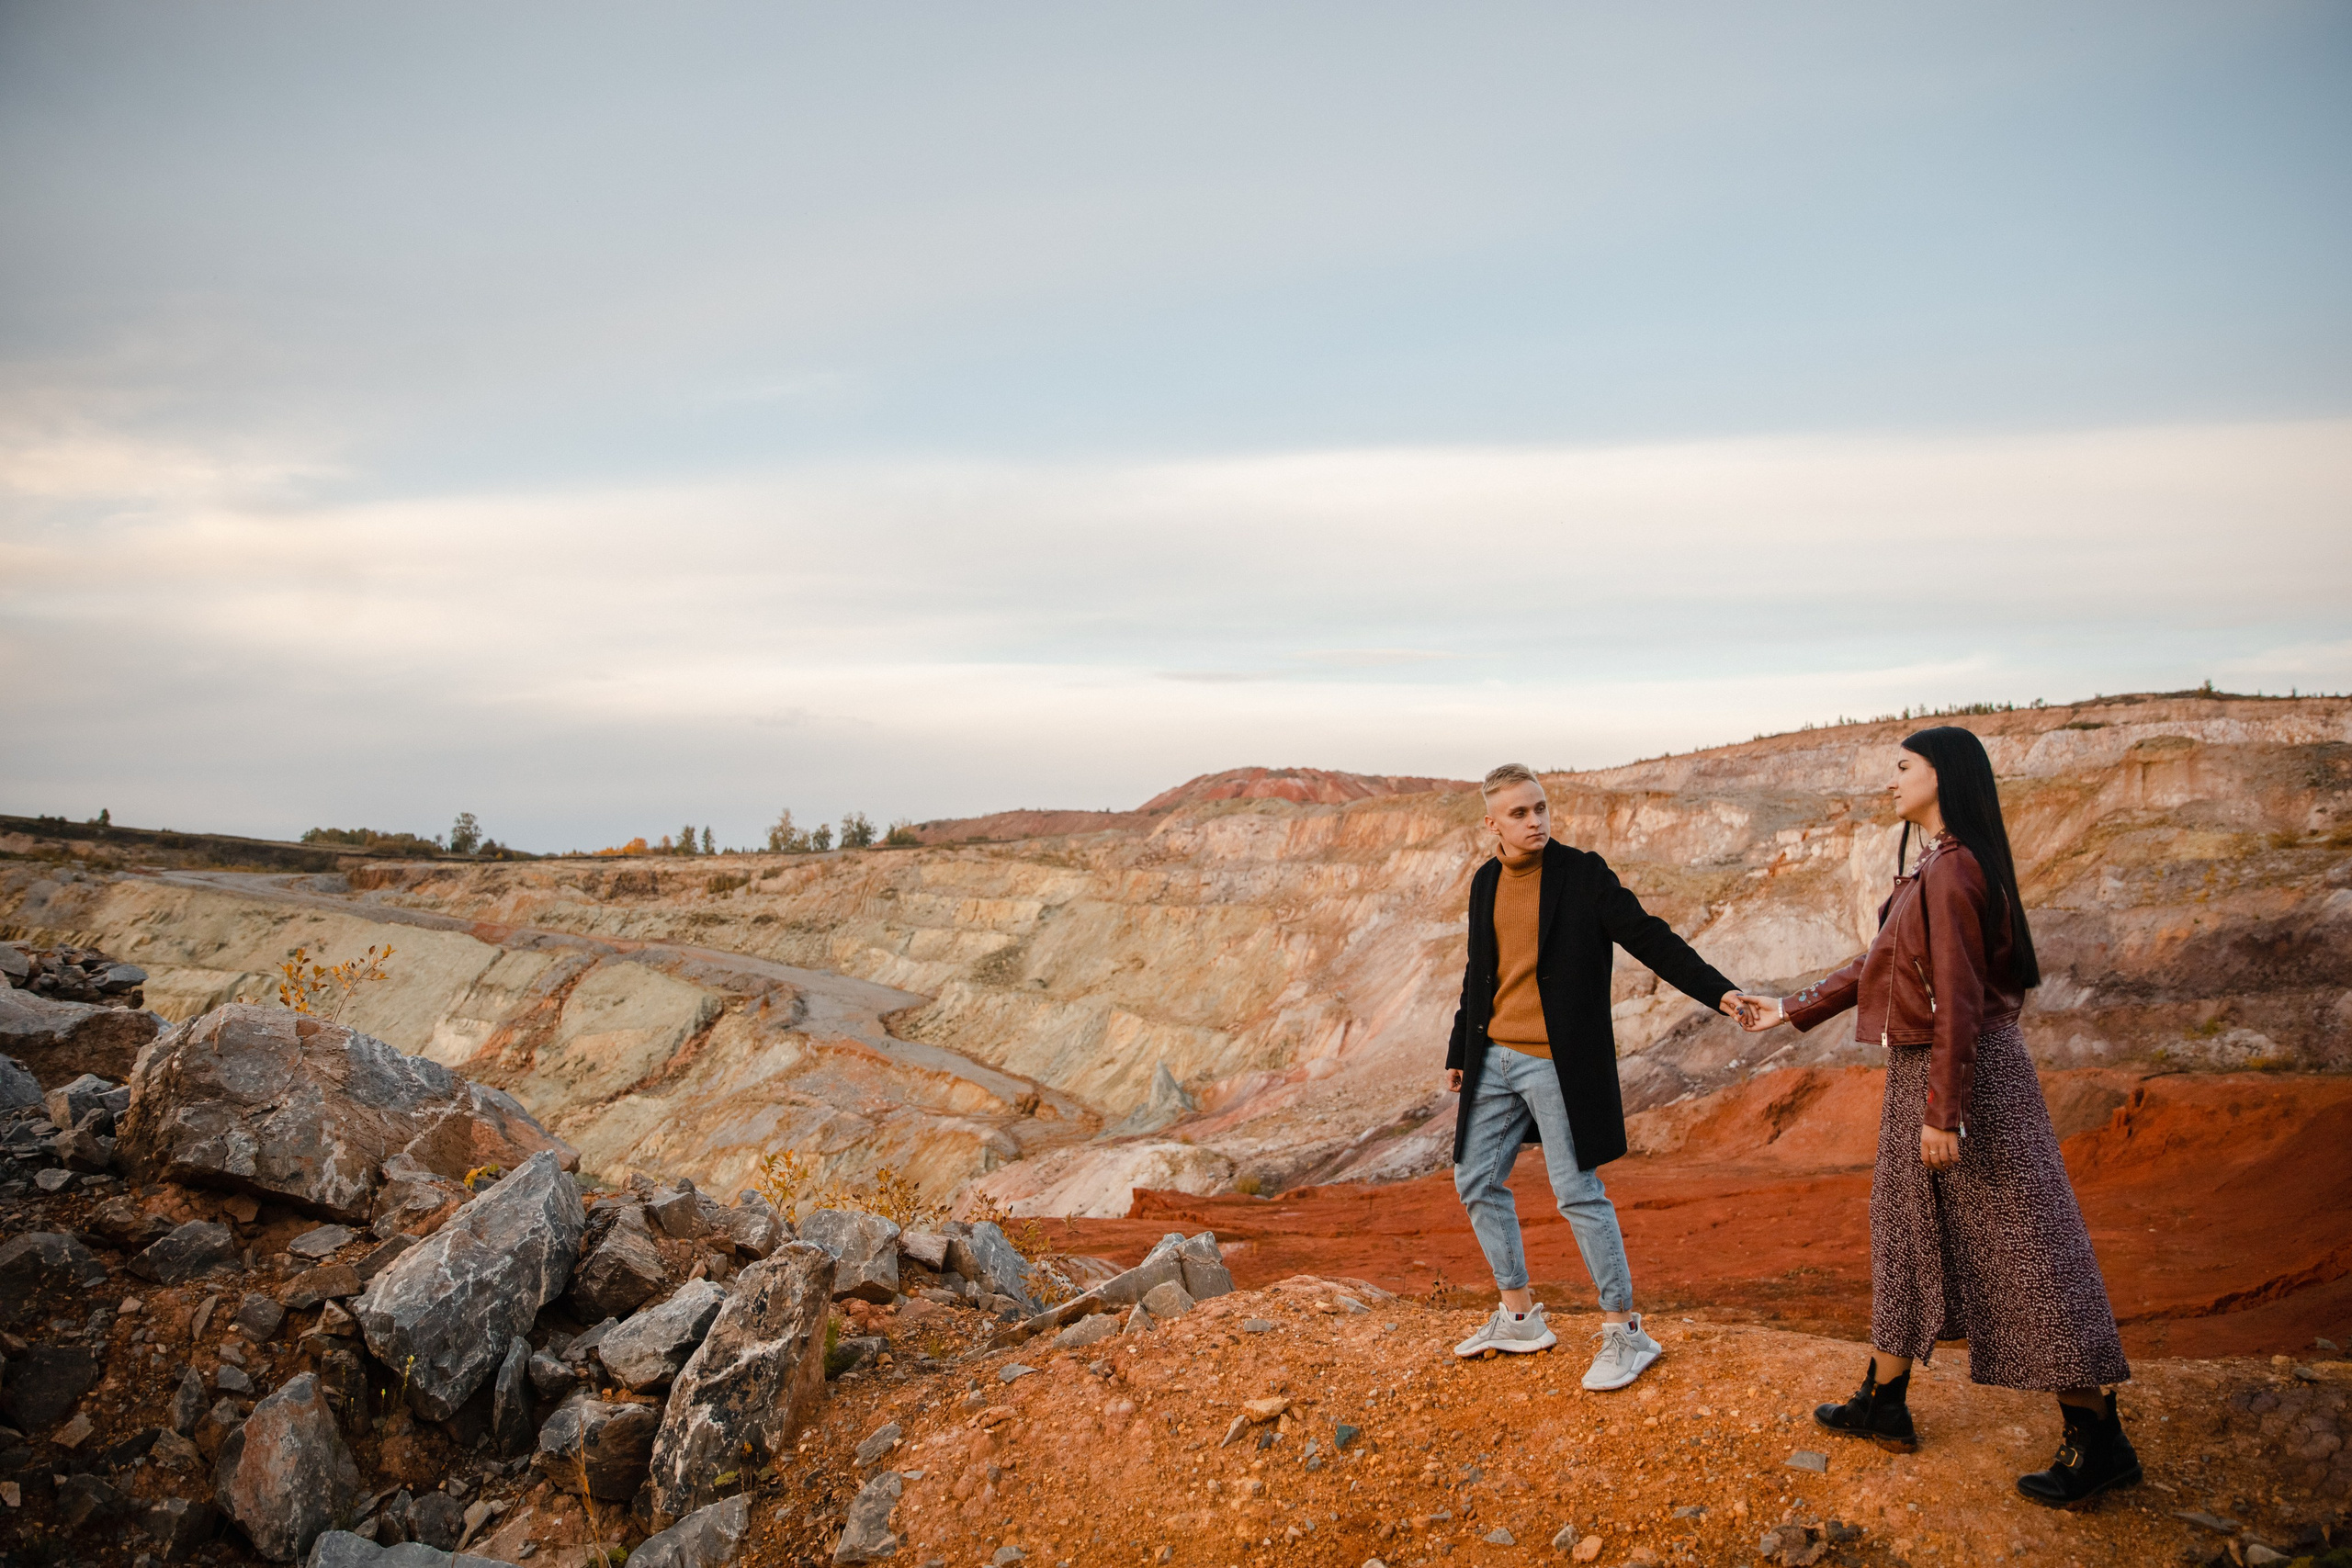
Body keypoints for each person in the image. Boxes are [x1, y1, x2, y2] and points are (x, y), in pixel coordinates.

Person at [1731, 726, 2138, 1506]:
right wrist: (1788, 1007)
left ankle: (2098, 1436)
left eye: (1903, 766)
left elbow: (1957, 998)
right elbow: (1882, 961)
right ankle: (1885, 1400)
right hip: (1929, 1070)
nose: (1892, 780)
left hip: (1964, 1077)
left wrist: (1944, 1113)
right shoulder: (1938, 863)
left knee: (2025, 1249)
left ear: (1941, 775)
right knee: (1902, 1227)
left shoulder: (1953, 871)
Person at [1444, 762, 1752, 1390]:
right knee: (1475, 1178)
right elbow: (1479, 969)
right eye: (1519, 813)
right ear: (1492, 824)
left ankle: (1623, 1330)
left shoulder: (1582, 874)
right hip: (1494, 1057)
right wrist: (1459, 1047)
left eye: (1540, 808)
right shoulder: (1485, 881)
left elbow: (1650, 938)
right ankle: (1519, 1316)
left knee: (1577, 1192)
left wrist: (1720, 992)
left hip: (1557, 1062)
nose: (1535, 821)